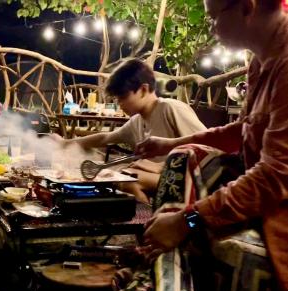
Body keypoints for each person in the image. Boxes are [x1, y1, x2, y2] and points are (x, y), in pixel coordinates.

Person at [135, 0, 288, 291]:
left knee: (190, 219)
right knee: (185, 157)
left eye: (214, 17)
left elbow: (276, 176)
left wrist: (187, 221)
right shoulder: (264, 58)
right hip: (269, 196)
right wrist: (170, 144)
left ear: (248, 8)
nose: (212, 27)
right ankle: (157, 283)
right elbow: (242, 131)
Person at [57, 59, 206, 203]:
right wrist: (65, 143)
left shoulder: (170, 108)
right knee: (115, 175)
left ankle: (147, 222)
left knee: (128, 181)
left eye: (122, 97)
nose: (120, 104)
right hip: (164, 180)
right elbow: (105, 138)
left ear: (143, 90)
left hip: (191, 180)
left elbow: (208, 147)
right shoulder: (137, 121)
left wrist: (160, 167)